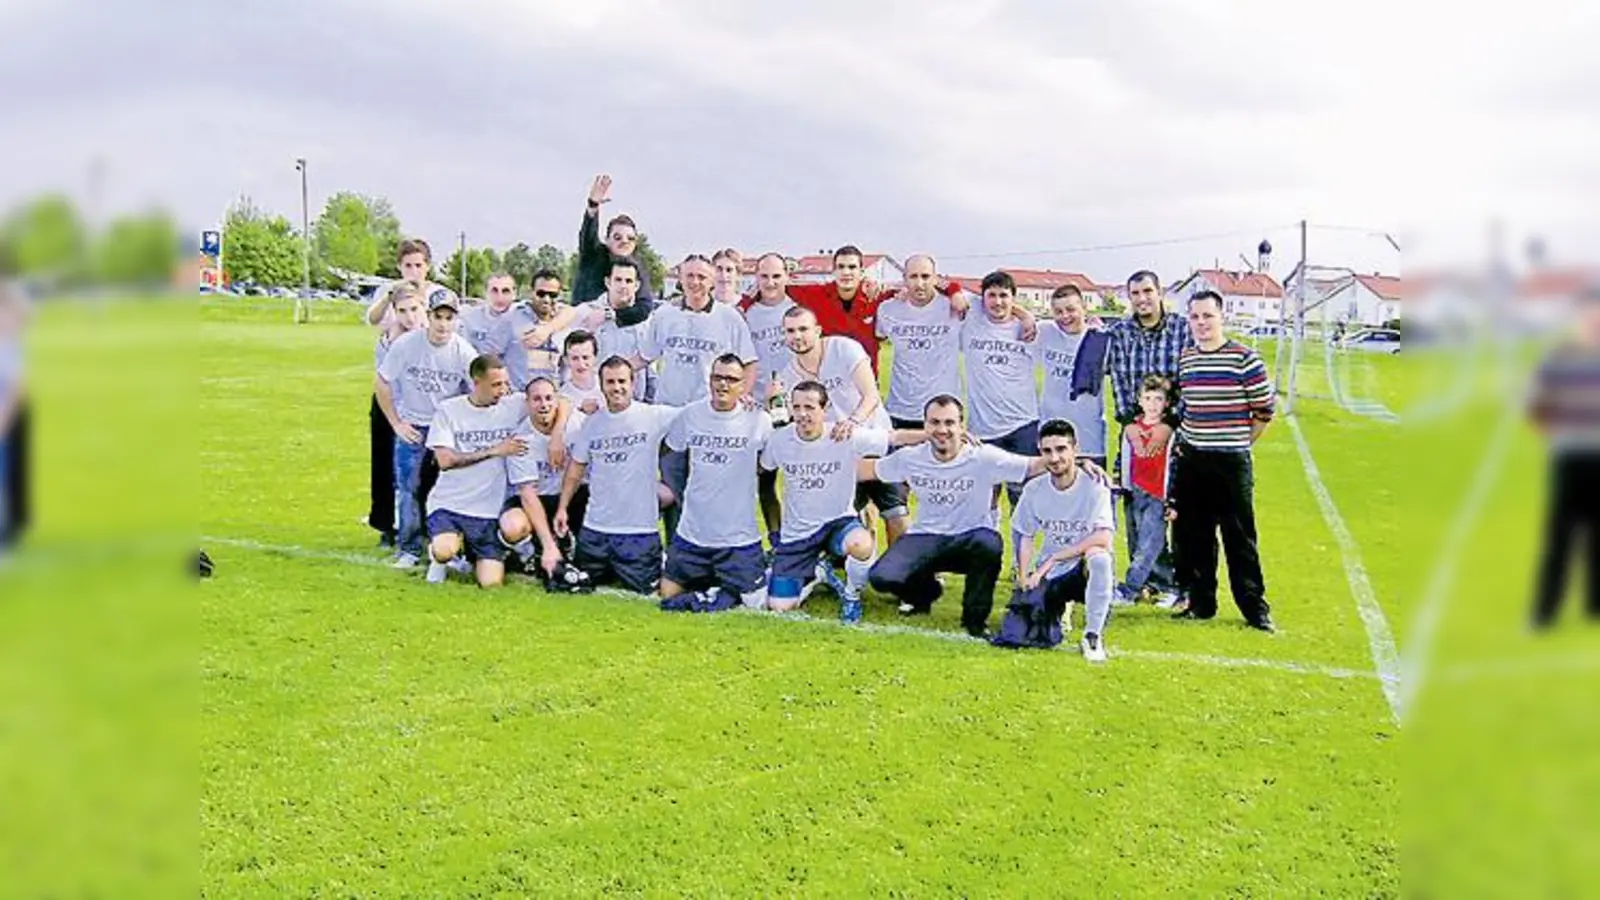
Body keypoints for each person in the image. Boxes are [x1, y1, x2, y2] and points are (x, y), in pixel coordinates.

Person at [863, 394, 1049, 637]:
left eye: (950, 423)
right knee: (881, 577)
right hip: (926, 536)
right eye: (935, 423)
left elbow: (1033, 465)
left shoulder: (984, 457)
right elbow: (865, 470)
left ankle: (974, 620)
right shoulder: (910, 457)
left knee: (990, 544)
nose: (942, 430)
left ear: (962, 426)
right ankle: (926, 593)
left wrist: (1080, 463)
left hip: (969, 539)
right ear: (925, 425)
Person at [760, 380, 931, 621]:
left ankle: (852, 595)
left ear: (825, 407)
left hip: (837, 523)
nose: (802, 414)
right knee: (779, 607)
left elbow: (894, 436)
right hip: (797, 535)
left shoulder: (843, 434)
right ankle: (816, 572)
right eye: (796, 407)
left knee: (861, 545)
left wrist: (934, 434)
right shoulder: (780, 441)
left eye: (809, 407)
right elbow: (764, 475)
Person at [1169, 290, 1277, 632]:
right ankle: (1202, 604)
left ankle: (1254, 607)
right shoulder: (1186, 359)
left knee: (1239, 536)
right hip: (1193, 460)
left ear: (1221, 317)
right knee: (1195, 535)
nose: (1201, 323)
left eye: (1207, 316)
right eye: (1195, 317)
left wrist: (1238, 443)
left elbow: (1263, 411)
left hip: (1231, 462)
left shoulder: (1245, 359)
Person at [637, 254, 759, 542]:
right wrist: (603, 377)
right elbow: (644, 356)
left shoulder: (729, 317)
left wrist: (741, 396)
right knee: (672, 485)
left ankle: (712, 547)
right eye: (690, 276)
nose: (695, 283)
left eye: (702, 277)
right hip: (670, 416)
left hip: (710, 418)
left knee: (707, 488)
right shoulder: (664, 315)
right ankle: (675, 549)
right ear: (680, 278)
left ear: (713, 279)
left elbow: (749, 362)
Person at [772, 306, 910, 548]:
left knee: (895, 510)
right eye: (790, 331)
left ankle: (906, 572)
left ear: (818, 330)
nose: (797, 336)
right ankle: (854, 565)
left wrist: (853, 421)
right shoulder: (788, 375)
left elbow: (871, 395)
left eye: (803, 329)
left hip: (871, 440)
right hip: (838, 453)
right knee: (841, 519)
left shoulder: (843, 348)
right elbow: (792, 421)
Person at [422, 354, 557, 588]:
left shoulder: (511, 405)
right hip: (449, 504)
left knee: (491, 583)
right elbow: (444, 460)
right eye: (496, 385)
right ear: (476, 382)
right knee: (445, 549)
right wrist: (494, 450)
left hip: (489, 511)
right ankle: (440, 558)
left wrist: (558, 436)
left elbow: (559, 401)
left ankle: (483, 553)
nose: (503, 390)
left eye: (505, 383)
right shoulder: (449, 410)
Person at [555, 356, 681, 594]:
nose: (617, 388)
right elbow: (575, 468)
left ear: (633, 383)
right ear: (601, 385)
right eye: (610, 382)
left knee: (646, 590)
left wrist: (744, 401)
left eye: (622, 381)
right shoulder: (592, 424)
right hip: (596, 531)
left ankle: (661, 560)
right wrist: (563, 507)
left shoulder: (654, 415)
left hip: (638, 533)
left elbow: (698, 413)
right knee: (578, 586)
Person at [658, 355, 774, 613]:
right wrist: (680, 495)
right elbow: (672, 454)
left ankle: (778, 569)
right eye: (717, 377)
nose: (723, 384)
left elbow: (771, 464)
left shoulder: (759, 420)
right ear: (709, 380)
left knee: (756, 604)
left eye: (731, 379)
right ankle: (716, 587)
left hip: (738, 539)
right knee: (668, 593)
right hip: (693, 536)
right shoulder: (690, 414)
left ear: (743, 386)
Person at [994, 419, 1116, 661]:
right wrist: (1024, 575)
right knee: (1016, 635)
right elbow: (1024, 533)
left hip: (1081, 569)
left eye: (1061, 449)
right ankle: (1056, 614)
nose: (1055, 457)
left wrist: (1055, 557)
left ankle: (1093, 635)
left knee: (1100, 558)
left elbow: (1103, 537)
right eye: (1048, 451)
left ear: (1075, 449)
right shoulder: (1035, 489)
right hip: (1049, 573)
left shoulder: (1094, 485)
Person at [375, 289, 478, 568]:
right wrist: (396, 422)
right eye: (438, 317)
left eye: (449, 317)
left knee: (448, 490)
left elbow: (477, 392)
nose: (443, 324)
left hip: (445, 430)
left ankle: (449, 549)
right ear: (428, 316)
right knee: (408, 488)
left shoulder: (464, 353)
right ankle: (409, 548)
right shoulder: (407, 345)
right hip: (414, 426)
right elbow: (382, 381)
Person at [1106, 269, 1190, 597]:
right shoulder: (1121, 333)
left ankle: (1177, 584)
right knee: (1136, 508)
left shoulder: (1182, 330)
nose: (1142, 299)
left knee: (1167, 509)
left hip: (1173, 436)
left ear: (1160, 292)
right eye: (1135, 294)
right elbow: (1121, 384)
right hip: (1133, 431)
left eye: (1147, 292)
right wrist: (1129, 426)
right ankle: (1153, 581)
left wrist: (1168, 425)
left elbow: (1188, 383)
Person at [1527, 284, 1600, 629]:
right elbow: (1537, 405)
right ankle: (1545, 611)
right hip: (1570, 457)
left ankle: (1594, 606)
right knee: (1561, 536)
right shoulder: (1561, 358)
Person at [960, 270, 1041, 509]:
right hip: (983, 429)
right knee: (985, 500)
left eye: (1004, 295)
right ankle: (988, 545)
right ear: (982, 298)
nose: (997, 302)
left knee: (1023, 500)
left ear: (1013, 298)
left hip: (1022, 425)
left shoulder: (1029, 332)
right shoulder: (972, 319)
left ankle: (1023, 547)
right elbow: (945, 286)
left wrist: (1026, 316)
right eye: (991, 295)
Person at [503, 376, 592, 591]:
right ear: (527, 403)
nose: (544, 404)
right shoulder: (521, 439)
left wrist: (557, 435)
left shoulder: (576, 424)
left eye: (548, 398)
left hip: (574, 495)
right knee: (512, 525)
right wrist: (549, 546)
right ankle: (528, 552)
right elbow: (528, 495)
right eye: (537, 399)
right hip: (538, 499)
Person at [740, 252, 799, 545]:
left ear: (786, 276)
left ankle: (802, 540)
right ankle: (776, 540)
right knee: (764, 477)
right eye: (764, 276)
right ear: (756, 278)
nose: (771, 282)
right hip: (760, 408)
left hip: (798, 409)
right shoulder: (747, 315)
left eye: (777, 275)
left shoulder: (799, 309)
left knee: (799, 479)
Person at [874, 254, 965, 430]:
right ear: (904, 279)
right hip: (900, 410)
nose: (919, 283)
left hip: (943, 412)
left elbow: (997, 304)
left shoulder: (954, 306)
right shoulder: (887, 309)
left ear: (936, 278)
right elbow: (877, 335)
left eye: (925, 276)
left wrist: (1025, 316)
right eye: (913, 277)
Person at [1117, 376, 1178, 607]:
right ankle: (1167, 585)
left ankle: (1129, 589)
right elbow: (1124, 459)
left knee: (1147, 545)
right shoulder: (1131, 428)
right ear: (1139, 400)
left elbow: (1176, 467)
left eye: (1158, 399)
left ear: (1167, 403)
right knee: (1146, 543)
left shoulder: (1170, 432)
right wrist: (1121, 483)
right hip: (1134, 493)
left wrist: (1172, 500)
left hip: (1157, 496)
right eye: (1148, 398)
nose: (1153, 404)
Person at [1037, 284, 1111, 469]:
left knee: (1093, 494)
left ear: (1083, 308)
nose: (1065, 316)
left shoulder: (1102, 340)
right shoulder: (1045, 332)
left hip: (1089, 438)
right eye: (1058, 311)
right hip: (1051, 436)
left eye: (1071, 309)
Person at [573, 174, 658, 318]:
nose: (624, 242)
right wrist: (593, 205)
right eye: (617, 237)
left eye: (630, 239)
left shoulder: (637, 268)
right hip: (583, 328)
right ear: (607, 240)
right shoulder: (594, 255)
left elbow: (644, 306)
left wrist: (610, 316)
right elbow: (588, 235)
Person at [507, 269, 569, 389]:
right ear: (531, 292)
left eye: (553, 295)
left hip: (552, 396)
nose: (546, 299)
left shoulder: (564, 322)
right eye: (541, 293)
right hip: (520, 393)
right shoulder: (515, 316)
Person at [557, 330, 604, 414]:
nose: (581, 364)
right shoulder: (562, 397)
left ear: (595, 358)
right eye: (575, 358)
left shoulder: (609, 384)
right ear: (566, 360)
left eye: (585, 357)